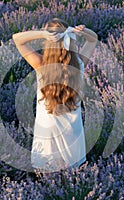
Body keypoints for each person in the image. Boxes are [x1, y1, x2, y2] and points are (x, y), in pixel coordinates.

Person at [12, 18, 98, 172]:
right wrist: (81, 30)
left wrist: (42, 34)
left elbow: (17, 39)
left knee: (47, 185)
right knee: (73, 185)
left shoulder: (41, 66)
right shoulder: (79, 64)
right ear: (70, 40)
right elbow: (93, 40)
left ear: (47, 43)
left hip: (47, 137)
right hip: (73, 137)